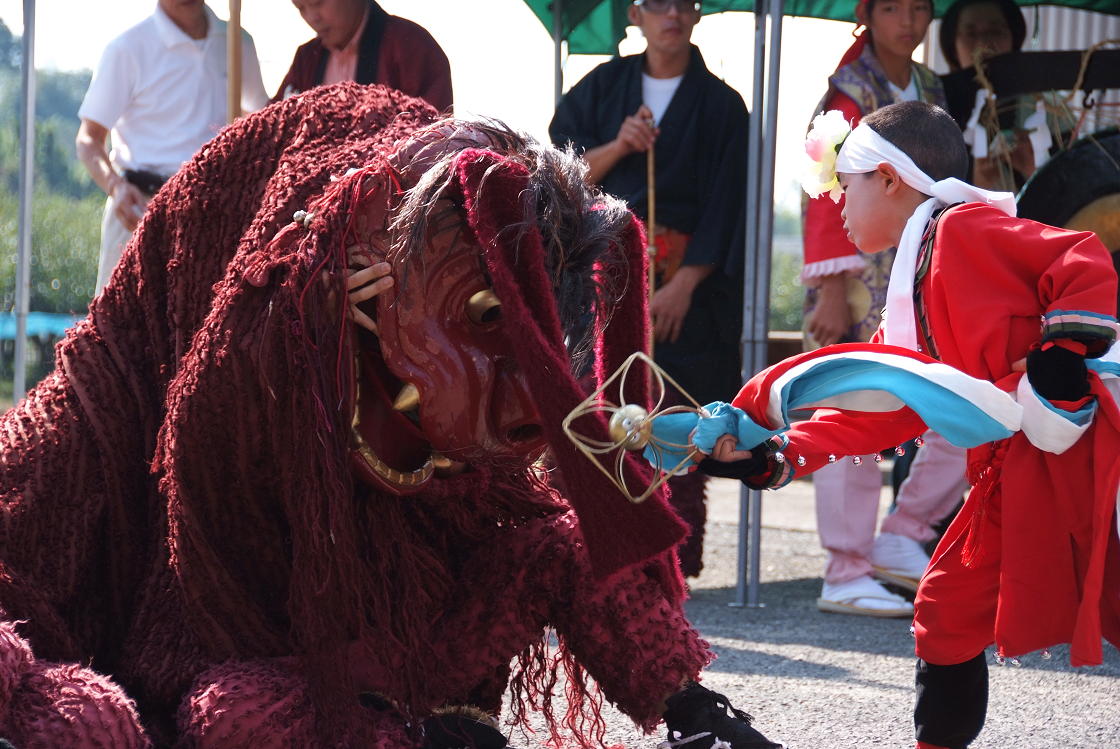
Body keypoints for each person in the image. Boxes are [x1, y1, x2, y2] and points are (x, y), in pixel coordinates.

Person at [0, 83, 780, 749]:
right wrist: (314, 314)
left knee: (551, 545)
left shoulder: (469, 414)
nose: (523, 401)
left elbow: (583, 486)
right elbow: (205, 451)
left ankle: (699, 712)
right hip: (206, 583)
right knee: (169, 713)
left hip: (366, 646)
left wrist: (717, 443)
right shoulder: (271, 321)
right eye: (480, 318)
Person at [698, 100, 1119, 748]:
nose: (837, 203)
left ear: (890, 179)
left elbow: (1082, 256)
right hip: (1019, 467)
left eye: (848, 184)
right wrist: (777, 454)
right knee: (946, 609)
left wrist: (1060, 358)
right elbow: (887, 404)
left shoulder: (963, 228)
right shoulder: (918, 273)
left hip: (1083, 455)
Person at [549, 0, 749, 577]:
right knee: (601, 406)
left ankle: (676, 559)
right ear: (634, 14)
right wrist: (620, 145)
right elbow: (559, 175)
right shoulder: (599, 91)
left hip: (690, 292)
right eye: (657, 3)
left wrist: (685, 282)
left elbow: (729, 203)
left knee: (682, 418)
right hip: (604, 283)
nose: (672, 14)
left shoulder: (723, 106)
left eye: (684, 3)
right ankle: (600, 550)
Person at [801, 0, 958, 616]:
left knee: (951, 399)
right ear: (869, 14)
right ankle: (845, 568)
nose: (909, 19)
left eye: (919, 6)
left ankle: (904, 531)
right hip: (856, 271)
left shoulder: (933, 87)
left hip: (924, 264)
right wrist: (832, 284)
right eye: (893, 5)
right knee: (853, 406)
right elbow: (824, 188)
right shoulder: (847, 91)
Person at [76, 0, 269, 294]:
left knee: (206, 333)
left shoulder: (237, 42)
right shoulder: (127, 48)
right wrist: (115, 186)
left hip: (213, 219)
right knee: (122, 334)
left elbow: (263, 123)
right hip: (138, 212)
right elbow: (89, 139)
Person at [938, 0, 1073, 191]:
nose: (984, 43)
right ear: (952, 44)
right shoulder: (936, 109)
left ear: (1014, 38)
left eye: (995, 31)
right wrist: (972, 185)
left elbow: (1072, 192)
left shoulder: (1050, 110)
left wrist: (1034, 172)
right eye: (971, 33)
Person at [275, 0, 452, 111]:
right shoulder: (306, 59)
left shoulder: (411, 45)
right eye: (301, 8)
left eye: (317, 3)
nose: (312, 17)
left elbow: (434, 142)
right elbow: (274, 132)